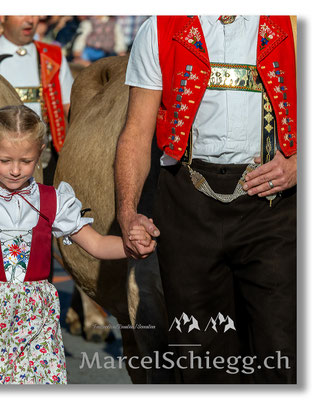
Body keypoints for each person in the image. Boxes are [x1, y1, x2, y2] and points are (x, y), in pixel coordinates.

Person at [115, 16, 297, 383]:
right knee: (199, 355)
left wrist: (302, 163)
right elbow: (136, 129)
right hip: (187, 202)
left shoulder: (296, 22)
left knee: (283, 348)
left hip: (274, 205)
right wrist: (128, 211)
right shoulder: (159, 27)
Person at [0, 105, 156, 384]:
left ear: (41, 152)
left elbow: (95, 244)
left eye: (25, 161)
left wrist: (131, 247)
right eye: (4, 160)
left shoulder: (52, 200)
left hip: (35, 316)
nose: (14, 170)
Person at [0, 16, 74, 183]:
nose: (30, 20)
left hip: (44, 158)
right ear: (2, 17)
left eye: (34, 13)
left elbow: (69, 108)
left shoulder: (53, 56)